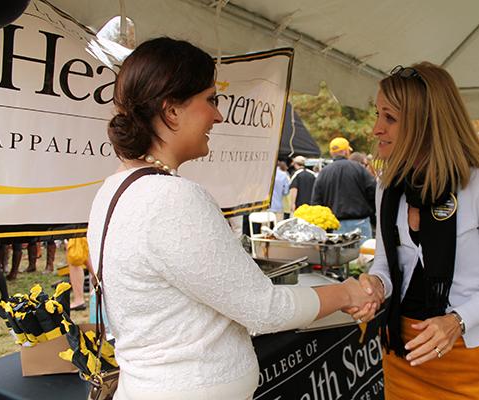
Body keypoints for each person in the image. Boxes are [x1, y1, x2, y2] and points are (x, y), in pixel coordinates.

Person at [86, 37, 375, 400]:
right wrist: (346, 291)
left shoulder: (113, 190)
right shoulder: (171, 198)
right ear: (171, 110)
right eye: (210, 100)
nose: (218, 115)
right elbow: (265, 310)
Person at [348, 62, 479, 399]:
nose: (376, 129)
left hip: (470, 356)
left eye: (389, 117)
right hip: (404, 352)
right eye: (377, 114)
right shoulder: (387, 187)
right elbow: (387, 266)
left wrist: (457, 321)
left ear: (425, 123)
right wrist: (375, 283)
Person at [311, 137, 376, 240]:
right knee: (364, 255)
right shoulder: (359, 169)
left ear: (332, 153)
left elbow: (316, 203)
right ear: (346, 151)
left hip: (335, 226)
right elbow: (373, 191)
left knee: (338, 255)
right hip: (360, 223)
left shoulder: (323, 173)